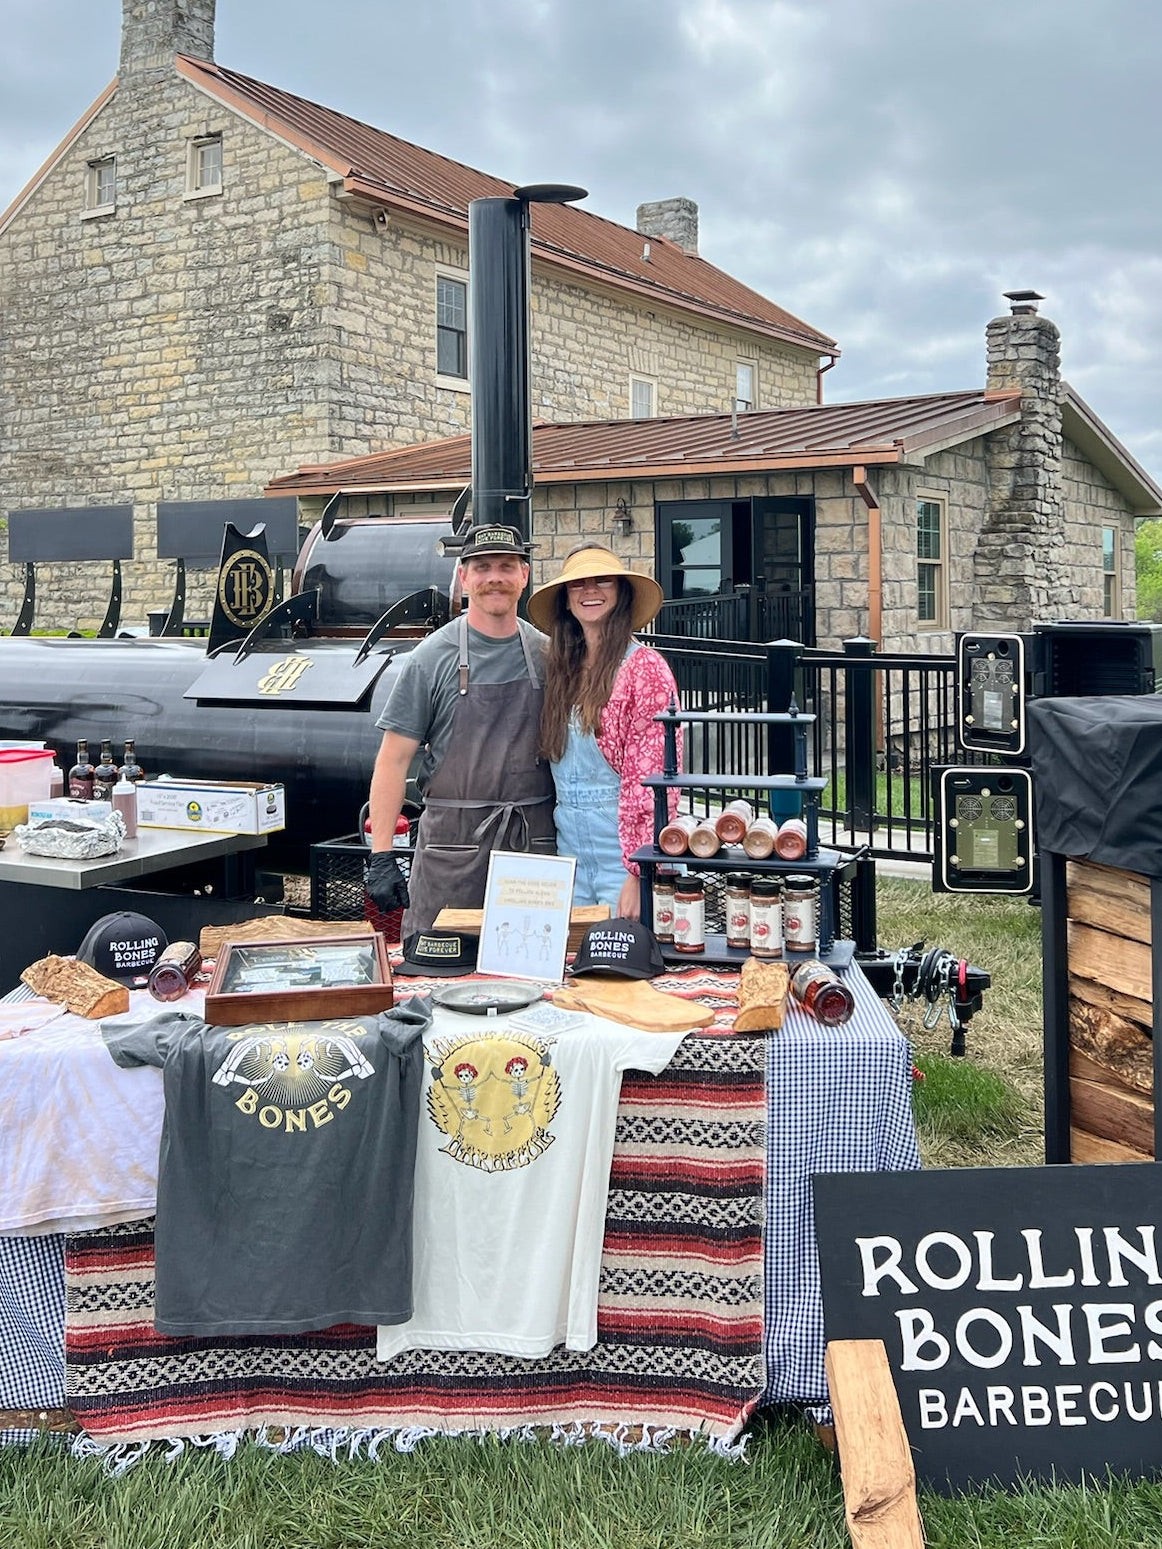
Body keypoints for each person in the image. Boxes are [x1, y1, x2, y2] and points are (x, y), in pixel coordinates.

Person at [366, 524, 556, 936]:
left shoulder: (549, 655)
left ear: (524, 576)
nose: (495, 578)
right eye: (482, 567)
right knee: (438, 983)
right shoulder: (429, 660)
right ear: (464, 577)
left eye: (507, 566)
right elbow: (393, 761)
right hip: (451, 851)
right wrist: (381, 854)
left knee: (533, 975)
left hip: (532, 849)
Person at [529, 545, 680, 921]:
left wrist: (638, 870)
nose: (589, 590)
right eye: (578, 584)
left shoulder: (644, 668)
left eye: (602, 581)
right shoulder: (562, 668)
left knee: (627, 968)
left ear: (621, 592)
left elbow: (655, 781)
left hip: (622, 856)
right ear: (565, 599)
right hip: (570, 854)